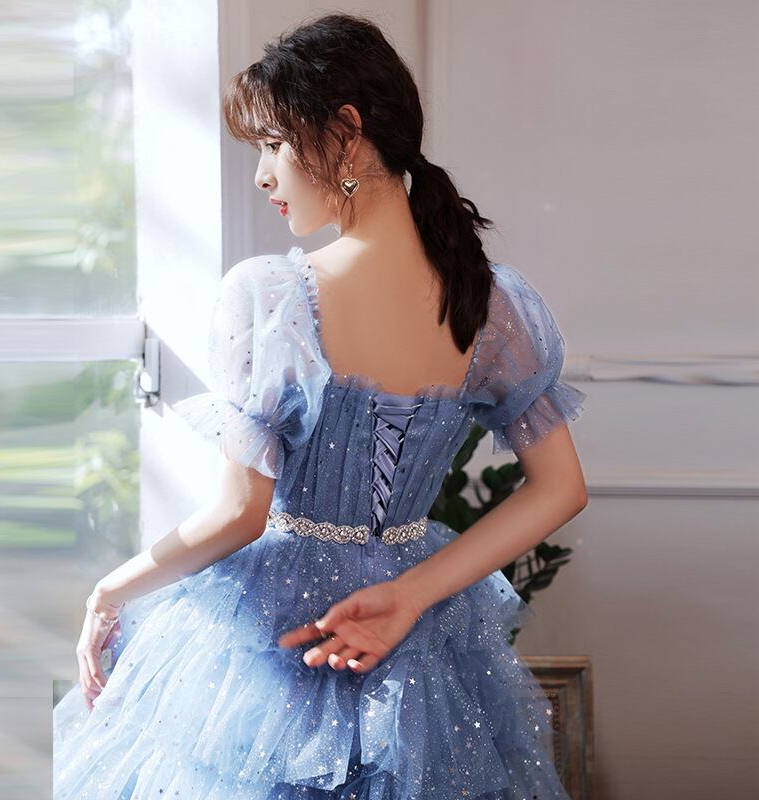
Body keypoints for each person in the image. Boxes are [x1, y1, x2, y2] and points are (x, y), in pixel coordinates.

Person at [53, 11, 588, 799]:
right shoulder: (492, 302)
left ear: (345, 131)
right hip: (417, 636)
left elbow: (239, 515)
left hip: (272, 641)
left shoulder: (273, 295)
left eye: (273, 144)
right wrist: (412, 593)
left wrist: (110, 591)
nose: (263, 176)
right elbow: (562, 488)